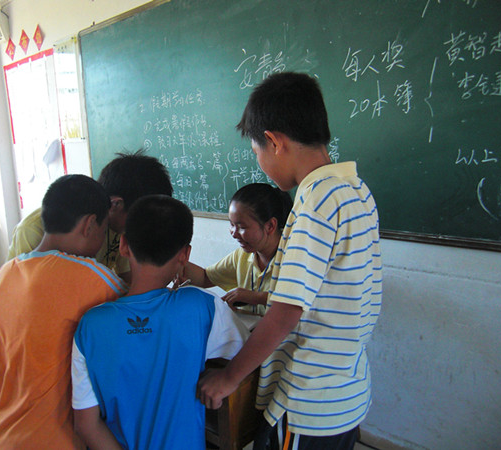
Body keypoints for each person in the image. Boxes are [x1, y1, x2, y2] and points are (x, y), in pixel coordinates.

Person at [197, 72, 383, 450]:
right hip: (345, 390)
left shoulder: (316, 200)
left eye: (257, 153)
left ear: (275, 142)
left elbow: (286, 311)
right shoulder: (355, 189)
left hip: (308, 401)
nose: (260, 164)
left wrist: (229, 378)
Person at [71, 195, 249, 450]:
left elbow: (86, 425)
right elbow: (248, 350)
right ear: (185, 255)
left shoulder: (91, 325)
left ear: (124, 245)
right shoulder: (202, 307)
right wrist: (222, 375)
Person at [0, 175, 127, 449]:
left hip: (0, 435)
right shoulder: (94, 278)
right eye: (104, 229)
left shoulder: (4, 274)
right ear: (89, 225)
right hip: (54, 440)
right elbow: (144, 314)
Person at [6, 149, 173, 283]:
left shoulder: (119, 227)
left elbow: (128, 278)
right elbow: (26, 293)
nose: (143, 227)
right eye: (141, 218)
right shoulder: (32, 230)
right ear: (115, 205)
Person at [178, 183, 292, 316]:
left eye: (242, 227)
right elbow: (205, 277)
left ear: (270, 226)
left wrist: (256, 297)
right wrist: (175, 262)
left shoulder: (294, 256)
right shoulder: (242, 256)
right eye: (231, 224)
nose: (234, 233)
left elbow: (298, 301)